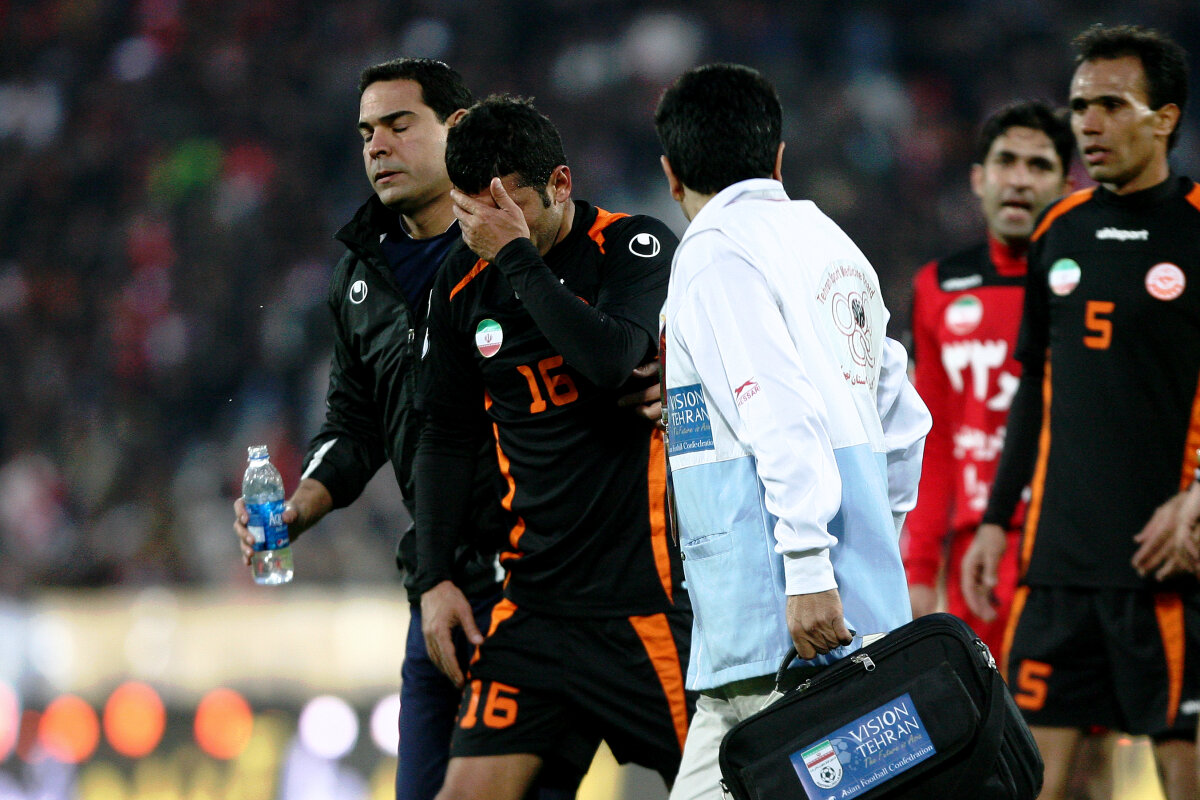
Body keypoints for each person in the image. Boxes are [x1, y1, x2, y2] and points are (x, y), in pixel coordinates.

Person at [230, 59, 578, 800]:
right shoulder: (360, 278)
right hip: (439, 583)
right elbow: (353, 424)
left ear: (458, 129)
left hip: (541, 579)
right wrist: (297, 509)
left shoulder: (526, 242)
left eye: (398, 125)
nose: (378, 146)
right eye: (366, 133)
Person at [654, 63, 931, 800]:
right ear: (777, 156)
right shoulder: (834, 244)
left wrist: (811, 569)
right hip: (841, 618)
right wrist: (873, 547)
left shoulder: (713, 253)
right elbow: (904, 421)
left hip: (782, 627)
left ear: (671, 174)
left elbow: (778, 412)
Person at [412, 95, 693, 800]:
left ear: (560, 184)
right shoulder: (462, 283)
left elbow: (609, 360)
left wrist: (514, 257)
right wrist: (432, 578)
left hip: (644, 607)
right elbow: (444, 435)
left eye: (507, 210)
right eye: (472, 212)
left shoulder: (633, 246)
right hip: (534, 607)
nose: (487, 229)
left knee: (728, 787)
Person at [962, 24, 1200, 800]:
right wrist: (996, 520)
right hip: (1057, 569)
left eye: (1111, 105)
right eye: (1079, 106)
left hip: (1167, 567)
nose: (1088, 124)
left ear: (1165, 118)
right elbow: (1035, 388)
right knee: (1035, 783)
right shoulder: (1058, 230)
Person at [904, 100, 1075, 652]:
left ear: (1068, 185)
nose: (1020, 179)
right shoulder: (937, 287)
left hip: (1069, 542)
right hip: (975, 554)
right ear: (979, 179)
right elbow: (934, 439)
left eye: (1039, 165)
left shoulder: (1091, 286)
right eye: (1006, 161)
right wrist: (920, 566)